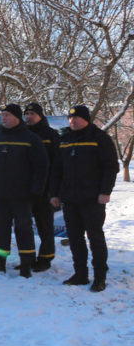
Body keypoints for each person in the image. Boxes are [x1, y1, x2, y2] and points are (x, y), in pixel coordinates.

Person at [50, 105, 119, 292]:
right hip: (70, 198)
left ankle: (99, 277)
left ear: (86, 119)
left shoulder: (99, 138)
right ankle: (80, 274)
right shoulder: (64, 139)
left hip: (92, 198)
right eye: (70, 118)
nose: (72, 121)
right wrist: (54, 193)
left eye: (77, 118)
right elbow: (57, 169)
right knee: (75, 238)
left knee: (95, 237)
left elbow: (111, 167)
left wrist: (105, 191)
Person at [0, 104, 49, 278]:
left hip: (22, 196)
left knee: (23, 230)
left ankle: (26, 264)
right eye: (2, 115)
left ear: (17, 117)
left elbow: (41, 167)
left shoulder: (30, 138)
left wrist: (36, 190)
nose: (3, 118)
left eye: (7, 115)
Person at [23, 102, 60, 272]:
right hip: (24, 188)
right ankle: (28, 258)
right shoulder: (22, 134)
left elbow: (57, 164)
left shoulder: (50, 135)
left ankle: (45, 258)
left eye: (32, 114)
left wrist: (53, 189)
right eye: (27, 114)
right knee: (24, 227)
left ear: (40, 115)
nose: (29, 117)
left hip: (44, 189)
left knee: (45, 226)